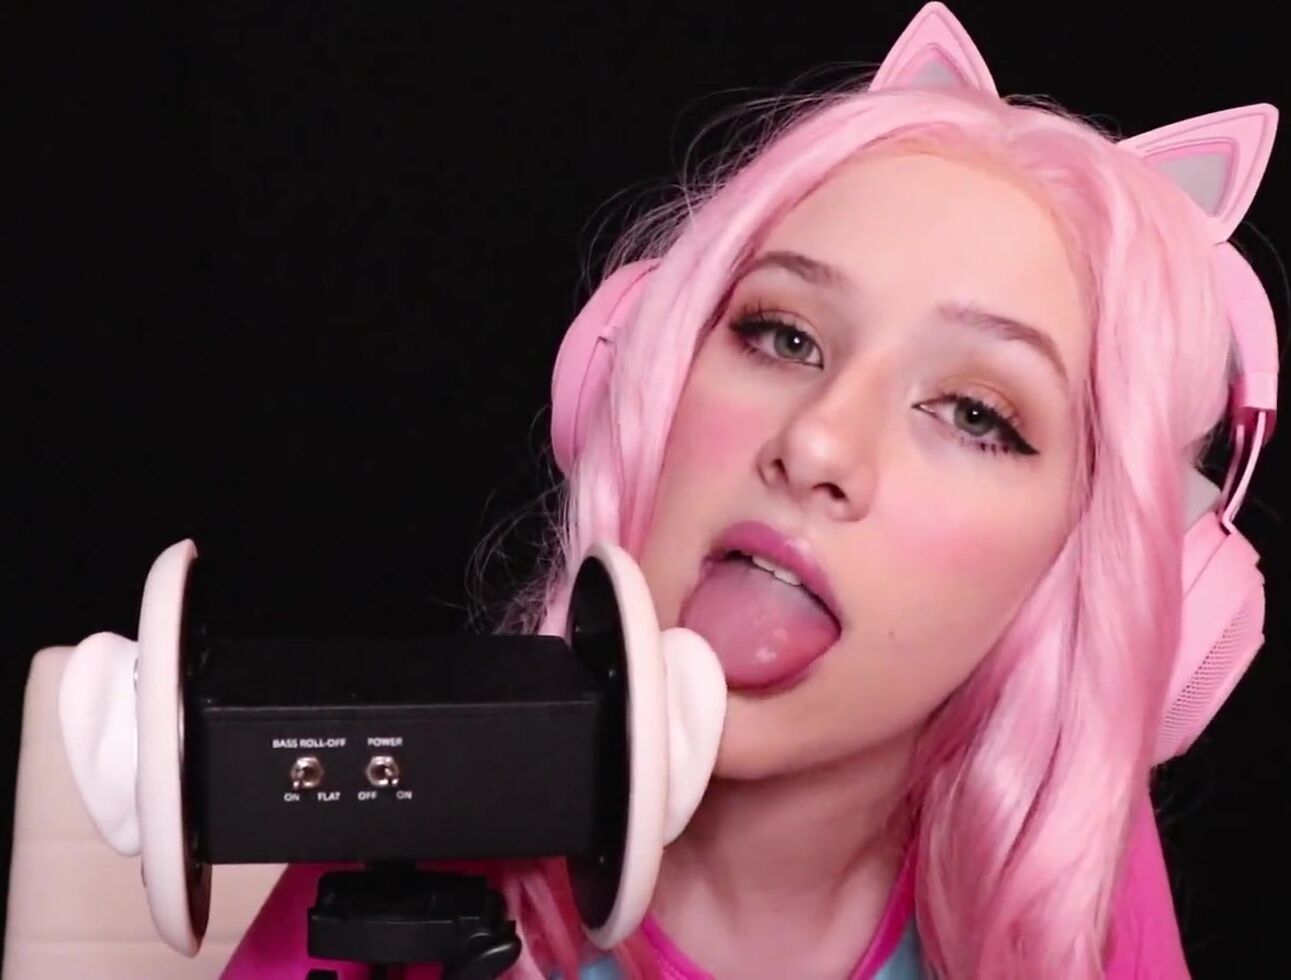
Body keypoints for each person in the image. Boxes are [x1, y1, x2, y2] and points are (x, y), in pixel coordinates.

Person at [223, 3, 1279, 977]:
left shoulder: (1063, 885)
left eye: (973, 414)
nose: (814, 442)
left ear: (1087, 571)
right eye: (782, 336)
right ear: (632, 383)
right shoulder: (395, 858)